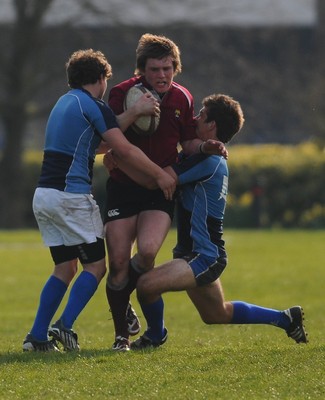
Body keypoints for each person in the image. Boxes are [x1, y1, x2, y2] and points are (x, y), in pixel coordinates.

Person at [121, 93, 308, 349]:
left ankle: (155, 336)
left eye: (201, 115)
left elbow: (160, 178)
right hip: (198, 254)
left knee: (147, 285)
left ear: (211, 126)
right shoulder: (207, 155)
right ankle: (286, 319)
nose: (195, 118)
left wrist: (121, 158)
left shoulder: (207, 160)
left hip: (203, 256)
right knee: (216, 314)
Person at [22, 49, 176, 352]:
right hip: (71, 197)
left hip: (44, 196)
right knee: (95, 267)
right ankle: (64, 326)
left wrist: (131, 114)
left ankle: (36, 337)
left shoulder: (64, 102)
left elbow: (99, 139)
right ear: (101, 78)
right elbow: (124, 148)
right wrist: (160, 176)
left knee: (65, 269)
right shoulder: (94, 105)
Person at [103, 33, 227, 351]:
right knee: (117, 260)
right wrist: (135, 113)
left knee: (146, 252)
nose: (161, 75)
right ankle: (121, 336)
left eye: (167, 68)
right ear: (141, 70)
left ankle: (121, 297)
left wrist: (208, 145)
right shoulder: (121, 94)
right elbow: (104, 141)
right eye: (154, 69)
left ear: (175, 68)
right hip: (123, 186)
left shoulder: (182, 98)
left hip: (159, 190)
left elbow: (188, 144)